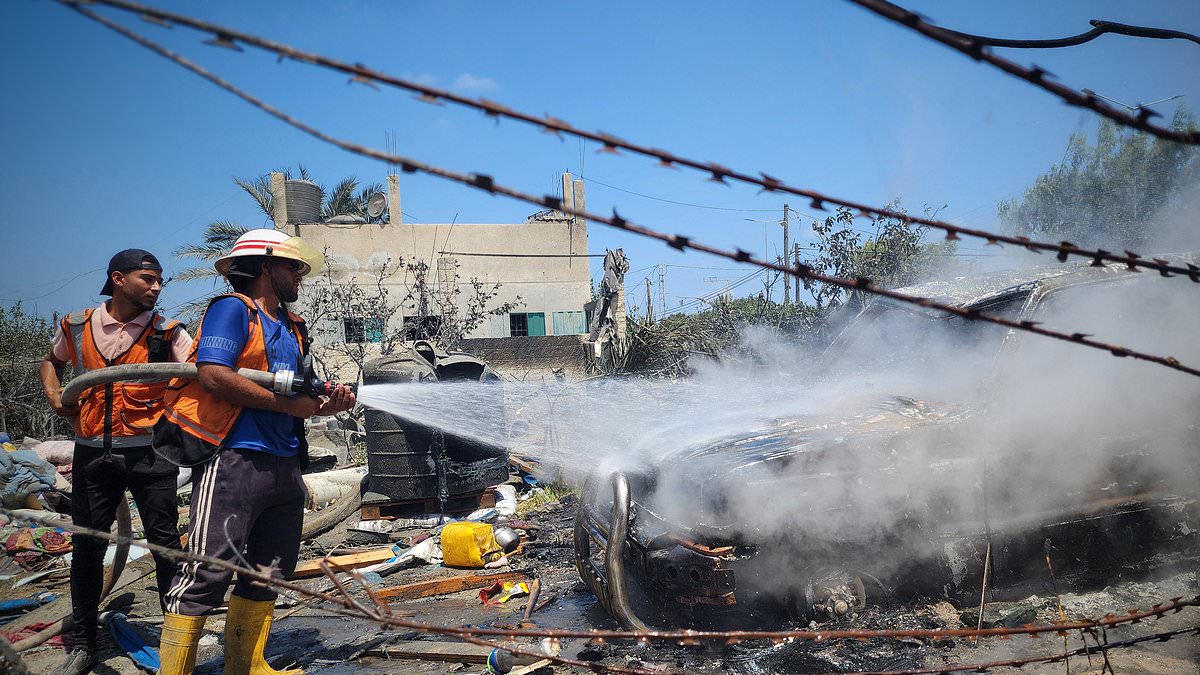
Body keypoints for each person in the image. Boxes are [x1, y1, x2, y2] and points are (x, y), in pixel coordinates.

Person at [152, 229, 355, 675]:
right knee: (206, 573)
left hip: (284, 464)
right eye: (292, 267)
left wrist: (328, 402)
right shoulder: (232, 311)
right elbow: (213, 375)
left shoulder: (293, 327)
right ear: (264, 267)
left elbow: (303, 395)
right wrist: (288, 403)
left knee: (269, 573)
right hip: (235, 460)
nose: (300, 276)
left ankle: (247, 667)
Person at [39, 249, 192, 675]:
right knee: (88, 547)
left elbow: (203, 375)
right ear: (118, 279)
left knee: (165, 547)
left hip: (152, 454)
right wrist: (55, 396)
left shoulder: (169, 333)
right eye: (148, 279)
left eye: (161, 280)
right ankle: (86, 645)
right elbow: (51, 363)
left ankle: (177, 645)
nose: (157, 287)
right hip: (92, 455)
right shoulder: (77, 326)